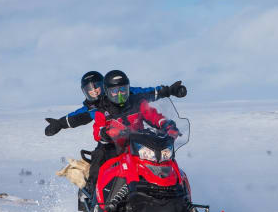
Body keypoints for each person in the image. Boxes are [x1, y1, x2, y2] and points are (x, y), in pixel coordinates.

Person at [88, 70, 182, 198]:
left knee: (165, 157)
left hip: (139, 143)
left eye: (123, 90)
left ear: (128, 89)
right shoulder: (102, 110)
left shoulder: (137, 103)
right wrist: (106, 132)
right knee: (99, 155)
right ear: (107, 92)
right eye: (115, 91)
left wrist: (167, 125)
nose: (119, 94)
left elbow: (153, 116)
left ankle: (180, 194)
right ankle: (92, 194)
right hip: (114, 146)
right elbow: (97, 130)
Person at [44, 71, 186, 136]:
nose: (94, 91)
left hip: (139, 138)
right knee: (99, 161)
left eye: (97, 87)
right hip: (113, 143)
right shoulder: (93, 108)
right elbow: (76, 117)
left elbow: (148, 93)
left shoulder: (128, 95)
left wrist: (169, 90)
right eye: (90, 90)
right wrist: (60, 124)